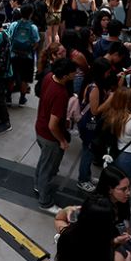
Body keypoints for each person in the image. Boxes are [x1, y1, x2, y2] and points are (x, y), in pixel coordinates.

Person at [34, 58, 76, 213]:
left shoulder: (48, 76)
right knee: (49, 168)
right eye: (73, 73)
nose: (75, 75)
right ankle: (45, 202)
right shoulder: (61, 93)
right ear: (65, 76)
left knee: (43, 162)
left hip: (40, 128)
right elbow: (53, 125)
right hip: (50, 136)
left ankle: (38, 185)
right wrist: (62, 140)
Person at [94, 88, 131, 178]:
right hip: (127, 154)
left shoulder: (108, 115)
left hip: (110, 152)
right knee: (122, 182)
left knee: (110, 181)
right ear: (129, 102)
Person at [9, 6, 40, 106]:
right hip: (27, 56)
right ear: (31, 14)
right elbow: (36, 42)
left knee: (12, 76)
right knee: (24, 78)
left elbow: (10, 37)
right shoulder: (33, 27)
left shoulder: (14, 24)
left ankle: (8, 97)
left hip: (14, 54)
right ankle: (22, 99)